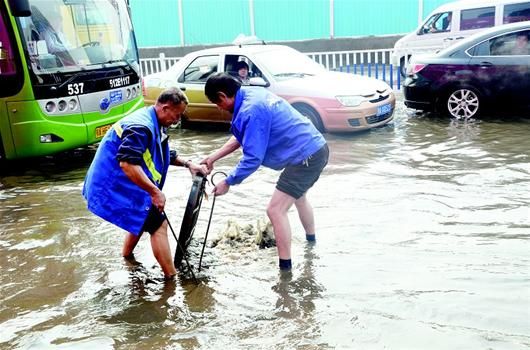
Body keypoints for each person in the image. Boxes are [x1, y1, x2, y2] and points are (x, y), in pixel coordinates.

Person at [201, 73, 329, 271]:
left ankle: (285, 271)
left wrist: (228, 182)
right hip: (315, 148)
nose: (219, 108)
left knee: (275, 210)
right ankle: (311, 245)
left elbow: (253, 158)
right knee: (299, 197)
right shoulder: (253, 94)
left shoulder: (251, 110)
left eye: (217, 103)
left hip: (306, 156)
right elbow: (243, 138)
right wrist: (213, 158)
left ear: (222, 96)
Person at [83, 88, 208, 280]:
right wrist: (155, 192)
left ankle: (127, 258)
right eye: (177, 114)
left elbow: (162, 151)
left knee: (143, 218)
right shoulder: (140, 127)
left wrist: (188, 164)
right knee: (159, 225)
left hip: (124, 183)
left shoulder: (154, 122)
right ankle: (171, 279)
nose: (178, 120)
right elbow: (127, 163)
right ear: (165, 108)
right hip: (112, 184)